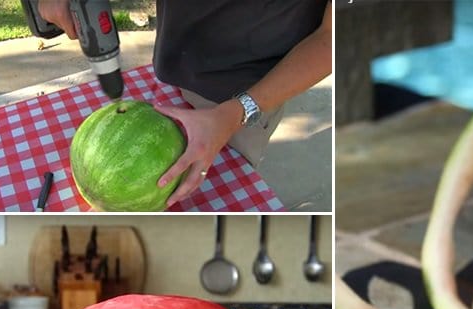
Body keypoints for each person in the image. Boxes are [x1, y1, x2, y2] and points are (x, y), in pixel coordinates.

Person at [38, 0, 332, 207]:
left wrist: (234, 113)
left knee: (228, 190)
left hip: (247, 92)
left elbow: (334, 37)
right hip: (171, 63)